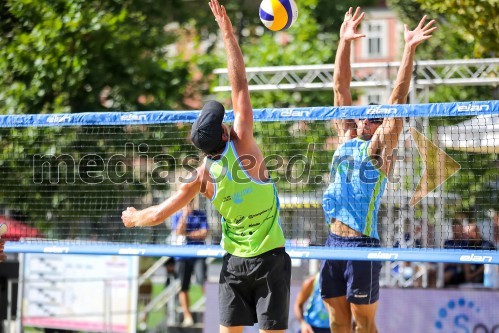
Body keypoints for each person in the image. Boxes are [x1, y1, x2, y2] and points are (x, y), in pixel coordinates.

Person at [122, 1, 291, 332]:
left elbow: (157, 215)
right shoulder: (244, 146)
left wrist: (133, 217)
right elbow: (239, 85)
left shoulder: (199, 177)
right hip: (270, 260)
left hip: (233, 265)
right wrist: (228, 34)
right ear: (226, 132)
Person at [320, 7, 437, 332]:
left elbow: (398, 98)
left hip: (361, 244)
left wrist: (408, 49)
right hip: (333, 241)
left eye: (374, 117)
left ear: (379, 124)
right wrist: (344, 42)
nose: (365, 119)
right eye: (364, 115)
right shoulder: (345, 137)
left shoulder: (378, 149)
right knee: (337, 323)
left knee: (363, 324)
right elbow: (340, 87)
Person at [170, 199, 209, 326]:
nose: (189, 204)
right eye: (186, 202)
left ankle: (210, 311)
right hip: (182, 256)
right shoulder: (177, 216)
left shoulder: (201, 215)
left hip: (198, 253)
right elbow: (178, 231)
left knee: (203, 281)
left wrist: (188, 234)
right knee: (183, 286)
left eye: (191, 202)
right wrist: (185, 215)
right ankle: (187, 316)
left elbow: (204, 233)